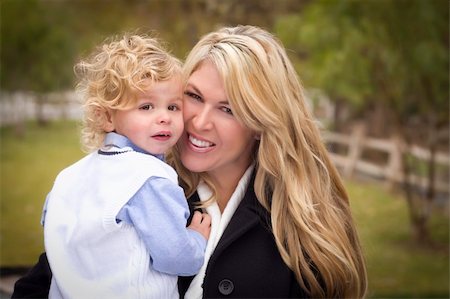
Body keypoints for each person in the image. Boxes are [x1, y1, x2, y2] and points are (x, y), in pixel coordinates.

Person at [13, 25, 367, 298]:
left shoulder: (303, 221)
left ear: (261, 123)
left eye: (227, 109)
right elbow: (42, 283)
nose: (198, 122)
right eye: (194, 97)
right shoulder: (136, 184)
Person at [37, 33, 211, 299]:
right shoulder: (148, 179)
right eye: (147, 106)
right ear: (107, 116)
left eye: (173, 107)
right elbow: (177, 258)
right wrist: (197, 238)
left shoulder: (68, 178)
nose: (164, 117)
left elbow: (55, 229)